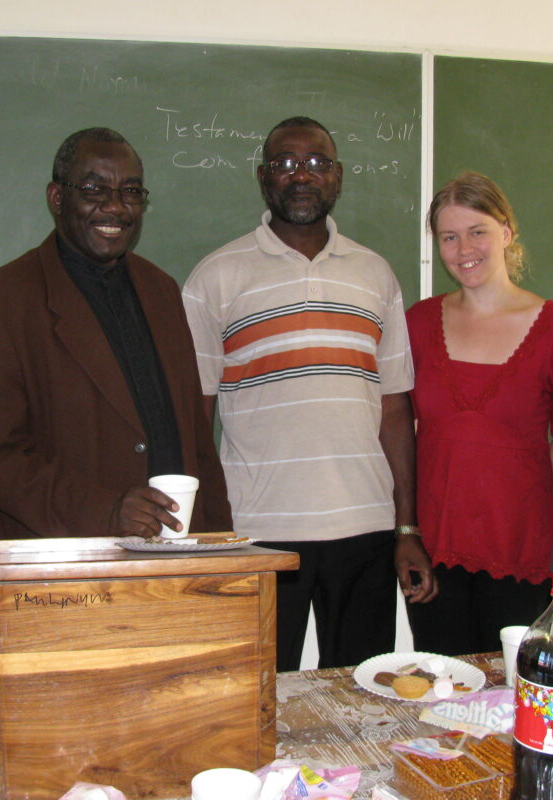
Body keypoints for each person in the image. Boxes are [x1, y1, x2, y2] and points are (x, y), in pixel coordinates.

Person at [182, 116, 435, 672]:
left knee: (362, 693)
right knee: (258, 697)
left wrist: (406, 527)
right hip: (258, 532)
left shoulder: (376, 274)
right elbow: (196, 413)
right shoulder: (215, 277)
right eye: (286, 163)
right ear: (262, 177)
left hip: (365, 528)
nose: (303, 176)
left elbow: (395, 407)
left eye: (317, 163)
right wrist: (206, 526)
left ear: (338, 177)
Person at [0, 127, 230, 539]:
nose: (116, 207)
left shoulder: (162, 290)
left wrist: (220, 544)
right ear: (56, 197)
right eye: (94, 189)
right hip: (68, 570)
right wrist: (106, 512)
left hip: (179, 556)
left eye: (131, 191)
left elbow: (196, 437)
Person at [405, 172, 553, 655]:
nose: (464, 247)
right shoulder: (418, 323)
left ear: (506, 232)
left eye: (477, 231)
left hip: (520, 551)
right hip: (433, 548)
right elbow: (397, 427)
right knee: (441, 690)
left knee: (511, 694)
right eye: (449, 236)